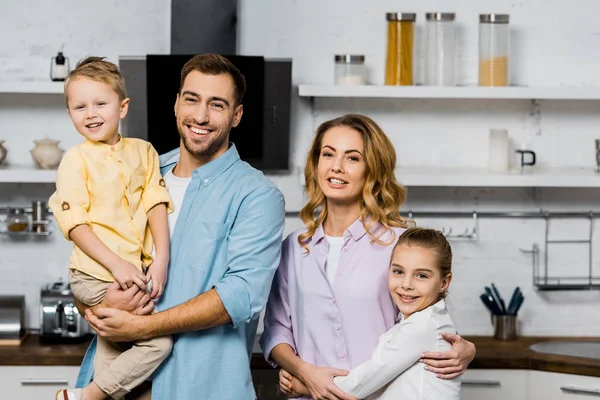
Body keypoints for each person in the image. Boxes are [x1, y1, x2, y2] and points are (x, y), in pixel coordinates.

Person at [76, 53, 286, 400]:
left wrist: (144, 326)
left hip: (198, 388)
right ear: (176, 104)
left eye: (217, 105)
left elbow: (240, 295)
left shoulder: (257, 195)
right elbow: (89, 258)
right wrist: (94, 307)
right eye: (192, 99)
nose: (200, 116)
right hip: (115, 385)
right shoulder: (143, 171)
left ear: (237, 116)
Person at [260, 114, 476, 400]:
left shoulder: (399, 244)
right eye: (328, 154)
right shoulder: (294, 248)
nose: (336, 167)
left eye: (352, 158)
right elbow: (276, 329)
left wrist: (466, 348)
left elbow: (427, 316)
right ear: (316, 164)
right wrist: (304, 373)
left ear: (372, 170)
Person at [49, 56, 173, 400]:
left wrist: (161, 258)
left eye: (100, 103)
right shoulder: (75, 159)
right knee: (158, 343)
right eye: (79, 106)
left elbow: (155, 203)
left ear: (123, 106)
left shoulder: (145, 152)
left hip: (134, 274)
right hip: (93, 275)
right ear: (71, 113)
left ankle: (82, 397)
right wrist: (116, 265)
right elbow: (75, 224)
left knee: (113, 348)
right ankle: (84, 396)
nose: (90, 113)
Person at [287, 227, 461, 399]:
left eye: (421, 275)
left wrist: (301, 385)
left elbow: (361, 383)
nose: (406, 284)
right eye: (398, 271)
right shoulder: (420, 323)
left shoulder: (422, 326)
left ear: (444, 282)